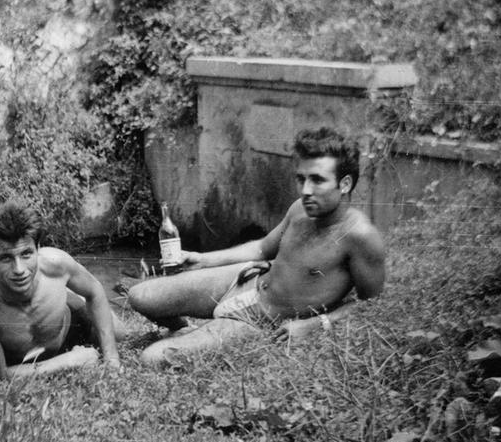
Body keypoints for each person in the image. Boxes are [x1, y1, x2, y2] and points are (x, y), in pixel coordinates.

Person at [127, 127, 386, 365]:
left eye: (317, 180)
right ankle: (185, 332)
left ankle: (201, 338)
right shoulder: (300, 210)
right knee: (139, 296)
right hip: (246, 280)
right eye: (301, 179)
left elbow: (372, 304)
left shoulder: (361, 236)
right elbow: (262, 248)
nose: (305, 190)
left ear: (345, 184)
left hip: (259, 321)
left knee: (151, 359)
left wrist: (315, 325)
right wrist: (202, 259)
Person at [0, 199, 122, 380]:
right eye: (6, 258)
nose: (19, 269)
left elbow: (95, 290)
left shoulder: (56, 263)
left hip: (69, 322)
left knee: (122, 334)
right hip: (24, 357)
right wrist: (70, 360)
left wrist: (112, 359)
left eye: (26, 254)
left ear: (38, 248)